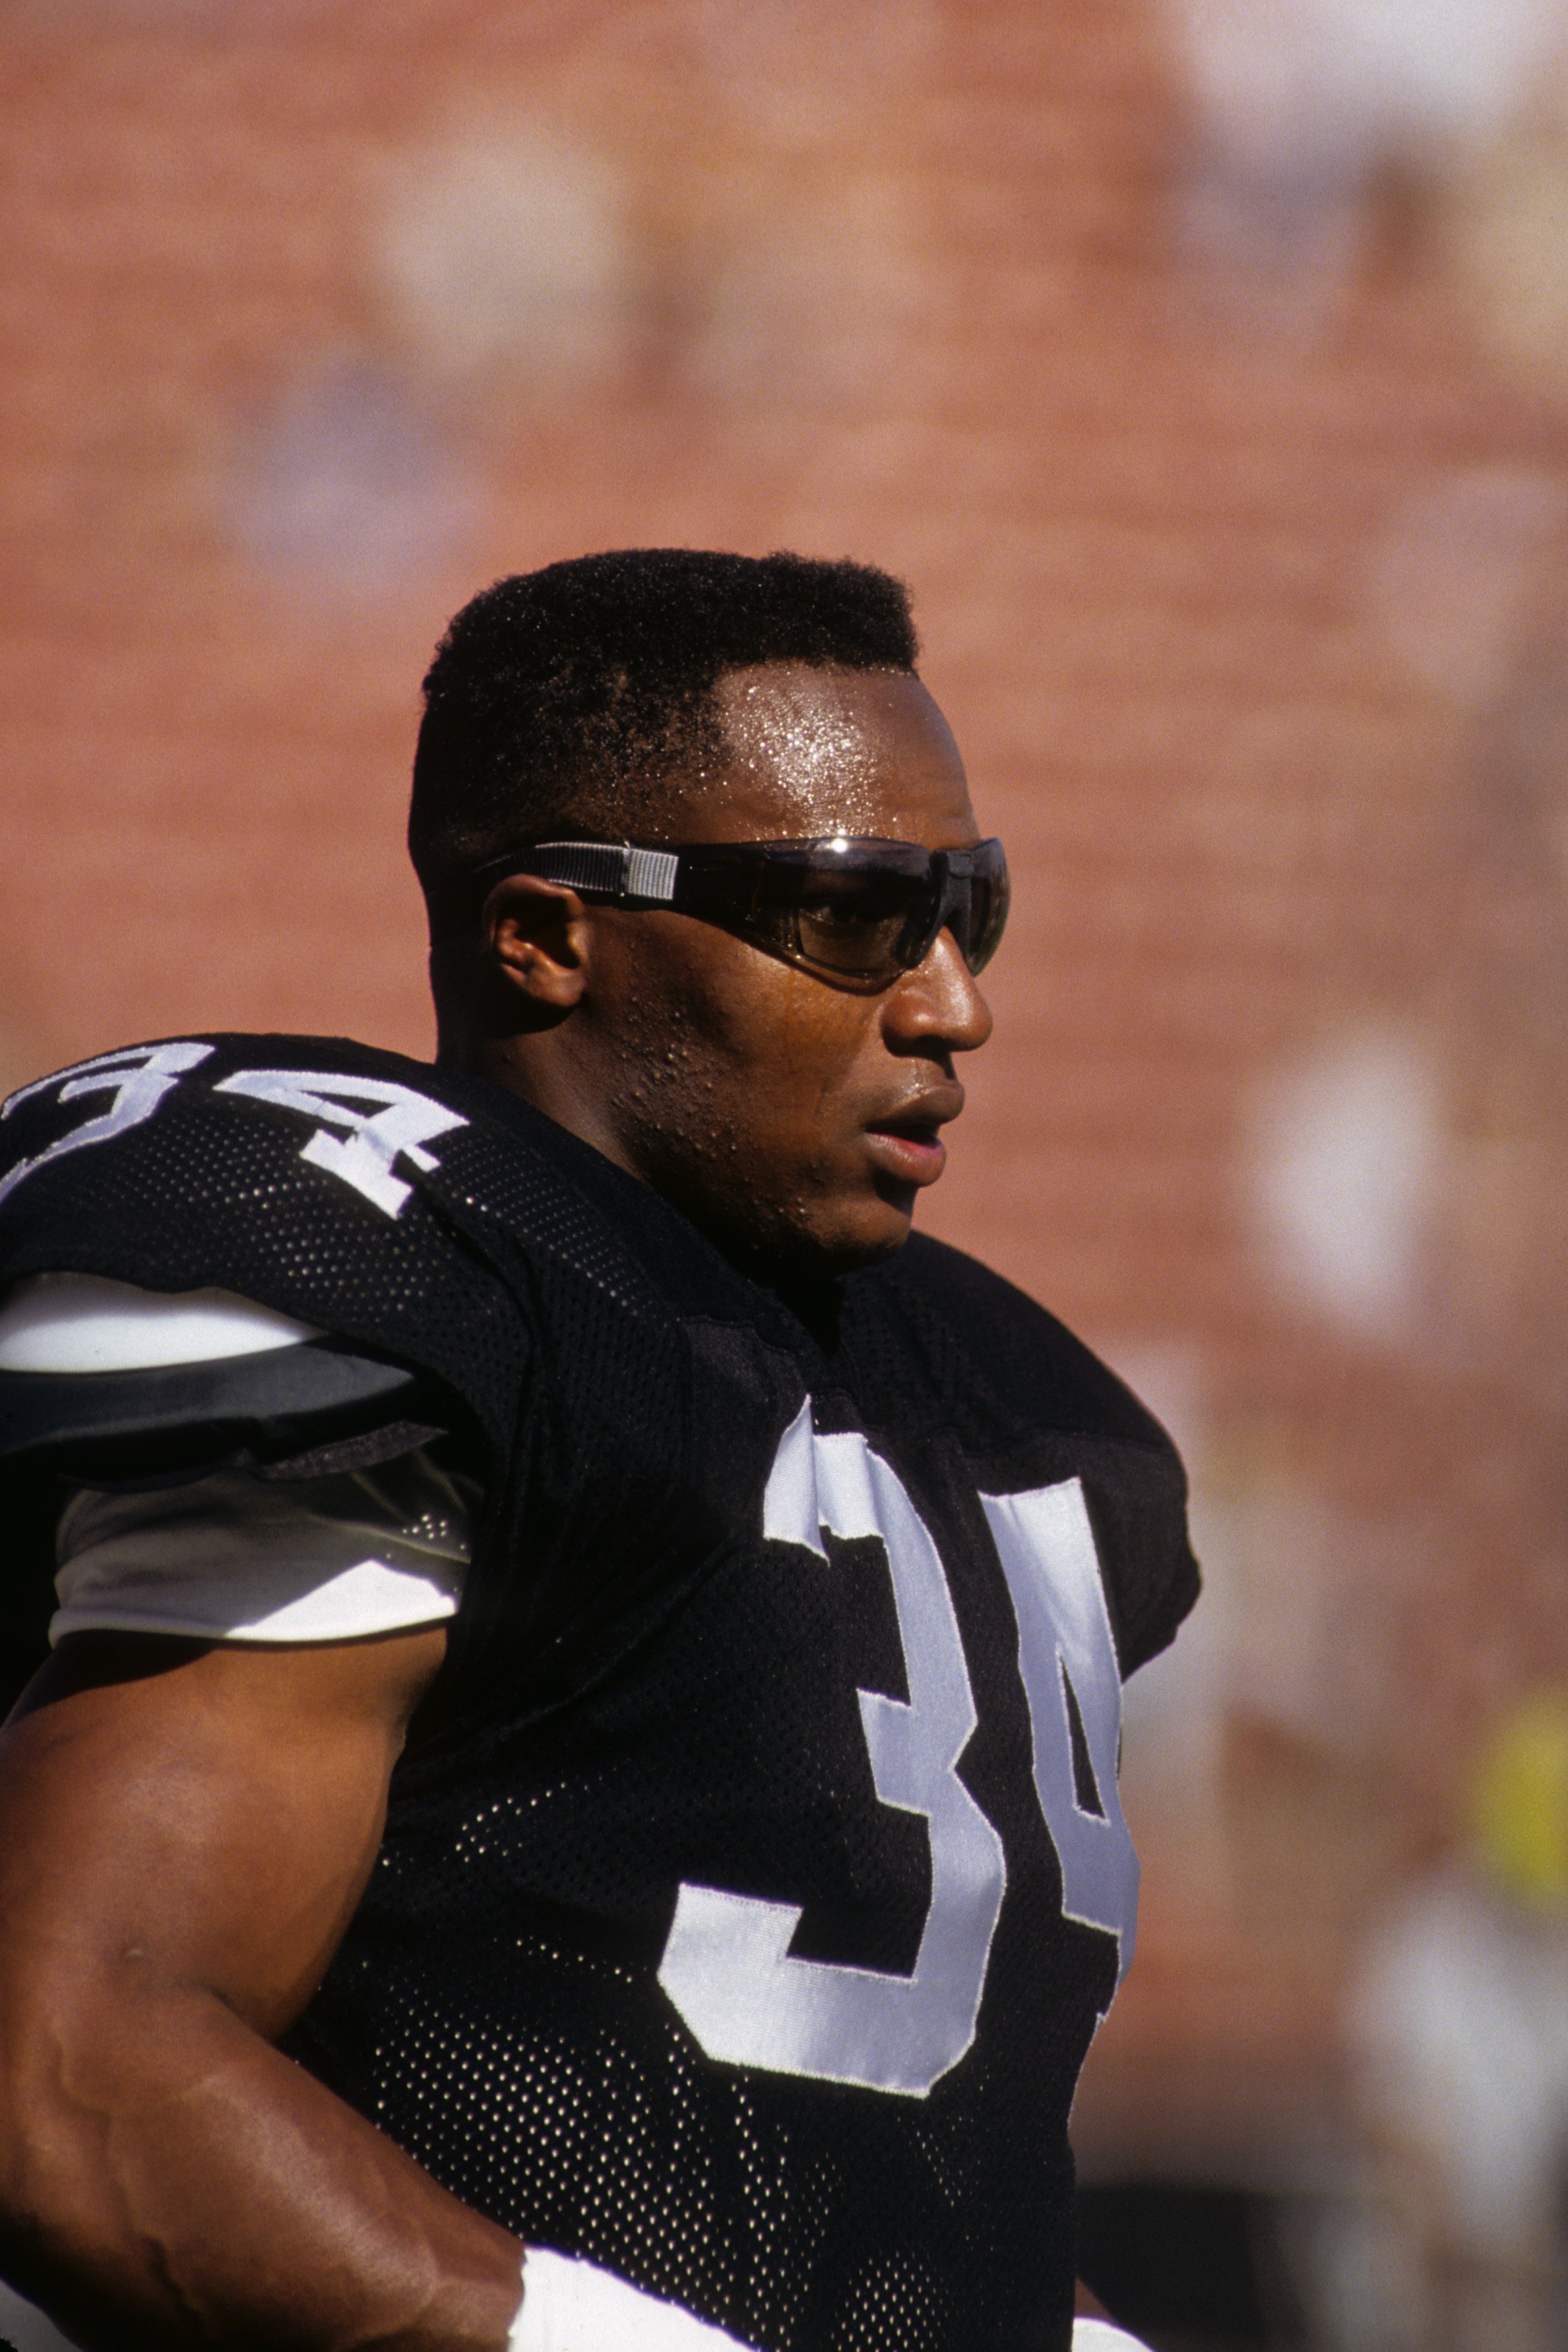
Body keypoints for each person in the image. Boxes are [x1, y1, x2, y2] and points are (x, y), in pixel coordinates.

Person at [0, 549, 1198, 2352]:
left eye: (971, 910)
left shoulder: (1008, 1403)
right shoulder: (407, 1286)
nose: (954, 1005)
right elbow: (80, 2074)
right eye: (855, 915)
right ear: (548, 933)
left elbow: (886, 2185)